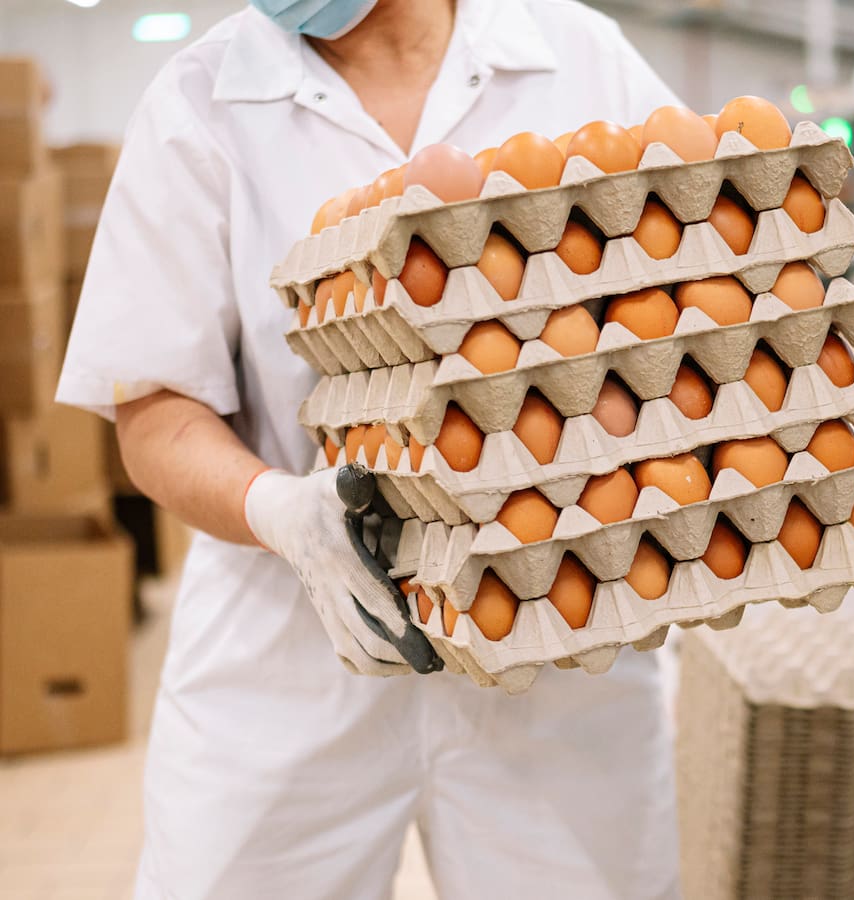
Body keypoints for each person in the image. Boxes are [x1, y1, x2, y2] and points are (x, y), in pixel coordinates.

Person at [56, 2, 684, 897]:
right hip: (290, 654)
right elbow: (154, 410)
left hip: (558, 641)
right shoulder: (201, 100)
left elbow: (687, 296)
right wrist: (284, 513)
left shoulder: (575, 56)